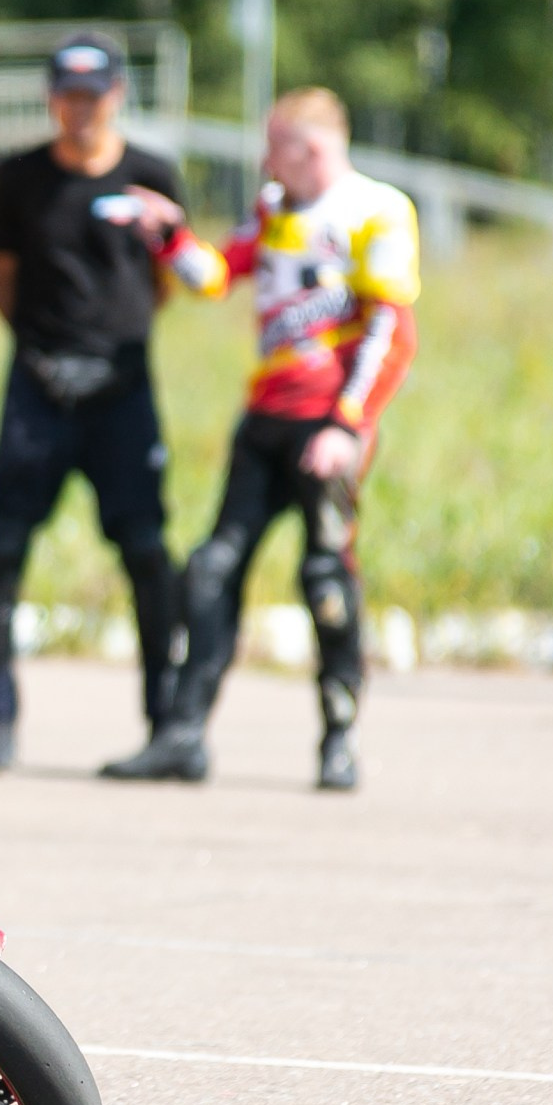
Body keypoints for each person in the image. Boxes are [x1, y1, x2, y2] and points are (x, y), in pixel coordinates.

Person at [103, 86, 419, 791]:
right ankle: (183, 737)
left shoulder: (378, 210)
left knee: (325, 578)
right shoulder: (274, 209)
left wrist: (347, 423)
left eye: (274, 143)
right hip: (264, 420)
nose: (263, 158)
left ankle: (339, 741)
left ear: (310, 147)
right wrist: (168, 235)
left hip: (327, 425)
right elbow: (216, 278)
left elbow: (391, 329)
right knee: (212, 570)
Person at [0, 34, 226, 772]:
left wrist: (111, 346)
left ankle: (164, 723)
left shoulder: (151, 172)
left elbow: (166, 279)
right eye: (68, 94)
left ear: (117, 94)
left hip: (122, 384)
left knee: (147, 549)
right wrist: (45, 354)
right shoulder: (16, 177)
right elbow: (4, 283)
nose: (80, 108)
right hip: (39, 383)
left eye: (95, 93)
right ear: (53, 97)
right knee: (5, 546)